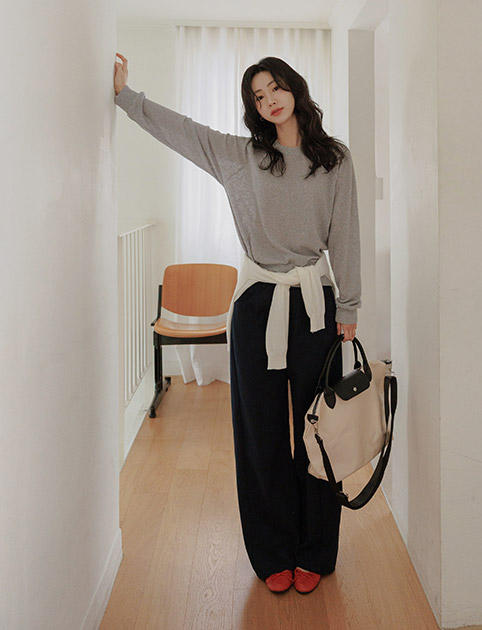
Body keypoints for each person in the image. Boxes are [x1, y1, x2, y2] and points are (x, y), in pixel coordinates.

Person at [113, 53, 361, 595]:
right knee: (260, 433)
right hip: (257, 306)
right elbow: (182, 130)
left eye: (275, 88)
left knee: (318, 432)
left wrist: (350, 307)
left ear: (295, 88)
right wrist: (126, 97)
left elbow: (346, 234)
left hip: (316, 305)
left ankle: (315, 550)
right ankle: (272, 551)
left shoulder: (334, 159)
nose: (269, 100)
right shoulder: (240, 155)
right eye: (258, 95)